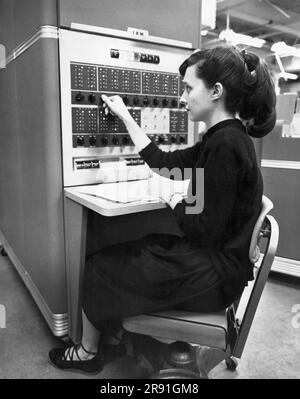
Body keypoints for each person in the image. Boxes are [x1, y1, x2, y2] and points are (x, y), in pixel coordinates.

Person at [49, 45, 276, 373]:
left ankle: (88, 352)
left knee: (100, 264)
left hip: (212, 274)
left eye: (188, 88)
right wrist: (126, 115)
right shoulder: (224, 138)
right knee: (134, 248)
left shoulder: (226, 146)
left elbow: (202, 229)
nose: (182, 98)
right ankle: (111, 332)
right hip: (213, 262)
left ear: (215, 91)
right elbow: (164, 162)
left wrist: (173, 199)